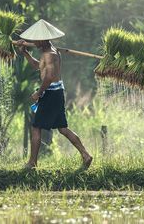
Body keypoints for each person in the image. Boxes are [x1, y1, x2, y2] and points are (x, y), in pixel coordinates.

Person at [15, 19, 93, 170]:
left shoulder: (50, 54)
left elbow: (49, 77)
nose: (34, 41)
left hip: (51, 93)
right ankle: (85, 155)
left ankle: (32, 163)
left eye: (37, 39)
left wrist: (39, 92)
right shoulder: (49, 52)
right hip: (56, 92)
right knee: (62, 128)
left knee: (36, 127)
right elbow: (39, 66)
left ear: (43, 39)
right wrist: (25, 53)